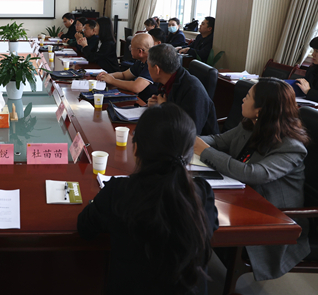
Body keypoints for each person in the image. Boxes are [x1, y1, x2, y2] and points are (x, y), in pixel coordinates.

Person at [78, 103, 218, 295]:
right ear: (189, 155)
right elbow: (211, 226)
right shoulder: (202, 193)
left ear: (136, 149)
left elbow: (84, 228)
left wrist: (97, 204)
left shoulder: (118, 192)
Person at [195, 78, 310, 281]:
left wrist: (205, 151)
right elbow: (219, 141)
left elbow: (253, 173)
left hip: (272, 216)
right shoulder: (251, 124)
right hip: (242, 197)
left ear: (260, 109)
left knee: (199, 217)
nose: (243, 99)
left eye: (248, 96)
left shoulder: (292, 147)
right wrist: (186, 138)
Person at [147, 44, 219, 135]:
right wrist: (156, 107)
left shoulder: (193, 90)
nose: (147, 69)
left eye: (148, 65)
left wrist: (164, 107)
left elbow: (189, 133)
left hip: (200, 141)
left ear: (157, 69)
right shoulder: (166, 81)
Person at [97, 33, 158, 102]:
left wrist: (112, 81)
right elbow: (124, 75)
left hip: (148, 102)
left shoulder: (152, 64)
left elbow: (136, 87)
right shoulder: (140, 62)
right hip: (141, 98)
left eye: (131, 47)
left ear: (140, 51)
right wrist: (107, 76)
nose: (130, 50)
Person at [295, 36, 318, 101]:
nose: (313, 54)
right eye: (313, 50)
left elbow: (307, 90)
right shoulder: (312, 69)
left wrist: (308, 91)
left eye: (317, 51)